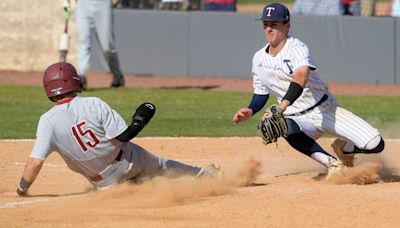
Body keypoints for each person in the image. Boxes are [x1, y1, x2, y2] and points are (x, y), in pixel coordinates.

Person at [2, 62, 219, 197]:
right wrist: (140, 119)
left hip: (104, 183)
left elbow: (35, 162)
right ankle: (203, 175)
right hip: (129, 160)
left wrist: (21, 190)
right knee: (161, 165)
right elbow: (124, 136)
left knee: (121, 190)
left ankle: (137, 187)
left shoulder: (47, 121)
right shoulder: (93, 103)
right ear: (75, 82)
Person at [232, 3, 384, 175]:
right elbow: (261, 92)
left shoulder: (297, 48)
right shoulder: (258, 58)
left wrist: (281, 106)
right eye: (266, 24)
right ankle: (331, 163)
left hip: (325, 110)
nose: (269, 29)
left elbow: (301, 77)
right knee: (285, 127)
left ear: (287, 26)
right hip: (297, 119)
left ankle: (344, 148)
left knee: (376, 144)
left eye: (274, 24)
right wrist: (251, 110)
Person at [64, 0, 125, 90]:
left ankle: (117, 75)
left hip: (103, 4)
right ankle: (81, 76)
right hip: (83, 4)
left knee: (107, 46)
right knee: (83, 40)